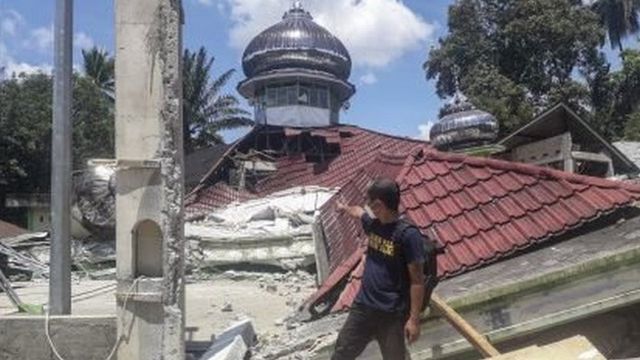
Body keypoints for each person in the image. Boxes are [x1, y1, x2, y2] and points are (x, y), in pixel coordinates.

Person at [332, 177, 426, 360]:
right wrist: (344, 209)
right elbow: (359, 212)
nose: (367, 206)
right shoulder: (374, 225)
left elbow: (417, 282)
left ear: (379, 205)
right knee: (341, 354)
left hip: (390, 314)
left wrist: (414, 320)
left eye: (370, 203)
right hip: (363, 307)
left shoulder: (408, 235)